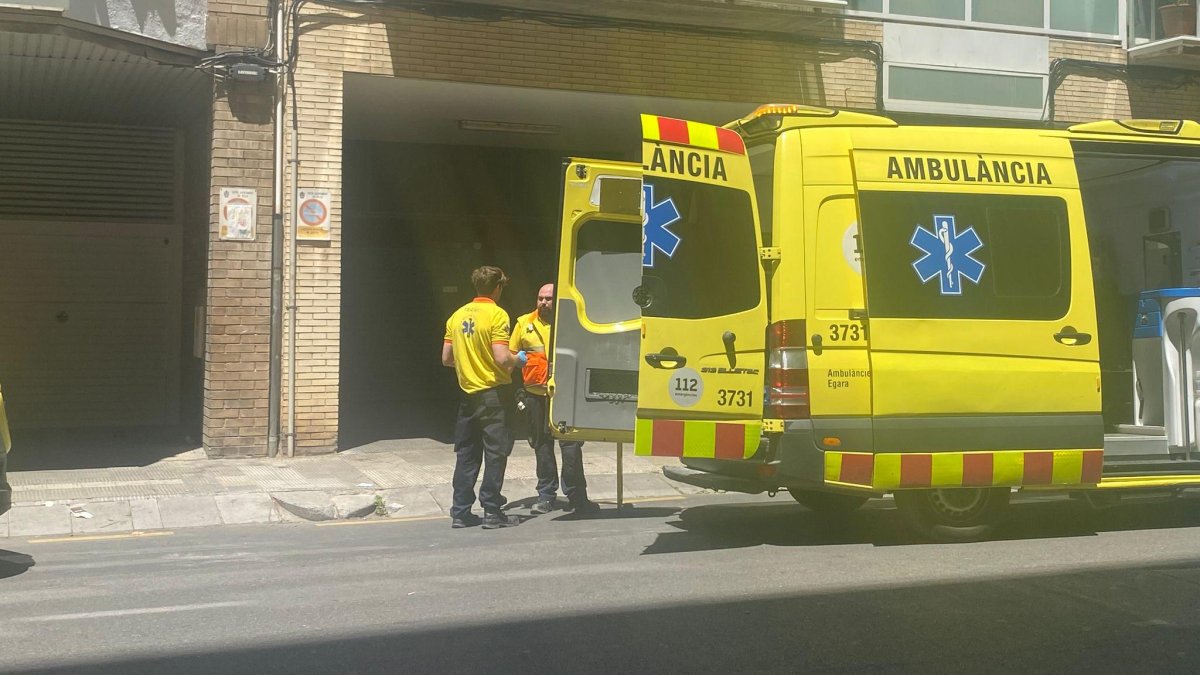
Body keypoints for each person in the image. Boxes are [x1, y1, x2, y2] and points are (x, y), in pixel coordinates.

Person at [442, 266, 527, 529]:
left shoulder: (456, 315)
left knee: (467, 454)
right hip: (494, 395)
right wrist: (518, 359)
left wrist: (470, 363)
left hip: (468, 396)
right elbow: (502, 357)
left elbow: (446, 358)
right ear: (498, 288)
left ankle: (460, 511)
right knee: (495, 453)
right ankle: (492, 510)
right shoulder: (497, 314)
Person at [511, 283, 599, 515]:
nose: (543, 302)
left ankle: (577, 497)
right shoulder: (524, 323)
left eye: (548, 299)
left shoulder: (571, 323)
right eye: (540, 298)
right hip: (536, 395)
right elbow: (510, 356)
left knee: (571, 447)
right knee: (541, 445)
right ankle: (546, 495)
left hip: (565, 395)